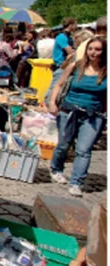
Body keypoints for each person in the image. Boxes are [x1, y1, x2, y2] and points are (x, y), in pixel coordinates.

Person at [47, 36, 106, 197]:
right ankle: (56, 168)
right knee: (64, 145)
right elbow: (59, 84)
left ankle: (76, 182)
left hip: (94, 115)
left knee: (84, 149)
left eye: (98, 49)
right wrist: (52, 102)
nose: (93, 52)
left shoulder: (105, 72)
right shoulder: (76, 66)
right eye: (91, 48)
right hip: (69, 111)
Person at [45, 17, 78, 103]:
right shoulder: (61, 37)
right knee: (55, 88)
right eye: (75, 24)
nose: (76, 26)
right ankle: (48, 104)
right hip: (61, 65)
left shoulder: (69, 37)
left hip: (67, 65)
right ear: (70, 25)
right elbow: (70, 51)